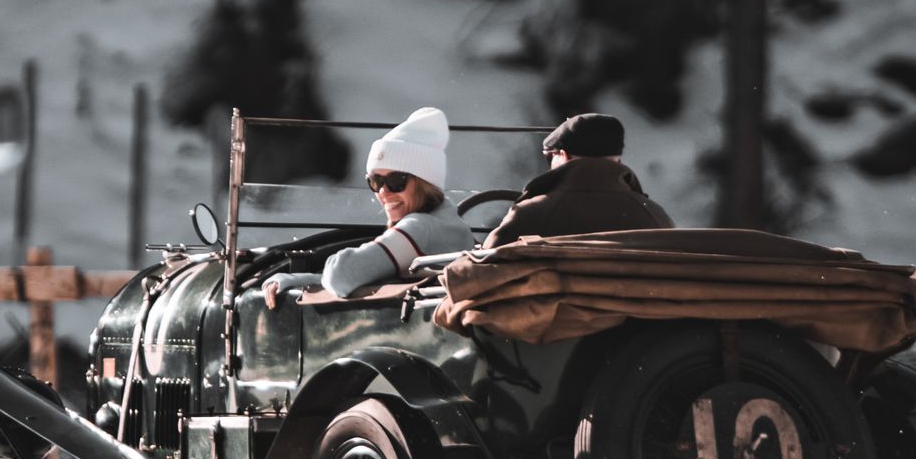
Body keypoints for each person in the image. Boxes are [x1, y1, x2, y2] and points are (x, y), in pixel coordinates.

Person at [264, 107, 472, 307]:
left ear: (424, 183)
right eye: (375, 181)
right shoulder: (446, 222)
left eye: (396, 181)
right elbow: (364, 274)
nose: (383, 192)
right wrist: (298, 279)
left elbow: (341, 277)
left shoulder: (420, 227)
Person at [482, 112, 672, 246]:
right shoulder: (655, 218)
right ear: (618, 160)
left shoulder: (529, 216)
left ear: (564, 156)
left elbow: (483, 273)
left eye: (550, 157)